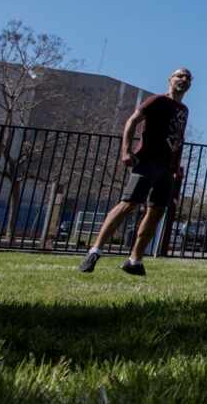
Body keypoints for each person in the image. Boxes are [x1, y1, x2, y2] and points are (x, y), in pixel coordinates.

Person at [77, 68, 191, 276]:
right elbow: (132, 121)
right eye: (179, 76)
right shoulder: (156, 101)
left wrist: (176, 168)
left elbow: (177, 139)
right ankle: (95, 251)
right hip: (147, 161)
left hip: (167, 169)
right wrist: (126, 151)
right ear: (170, 79)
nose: (184, 79)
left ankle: (135, 260)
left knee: (156, 211)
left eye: (187, 78)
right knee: (128, 203)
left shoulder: (184, 109)